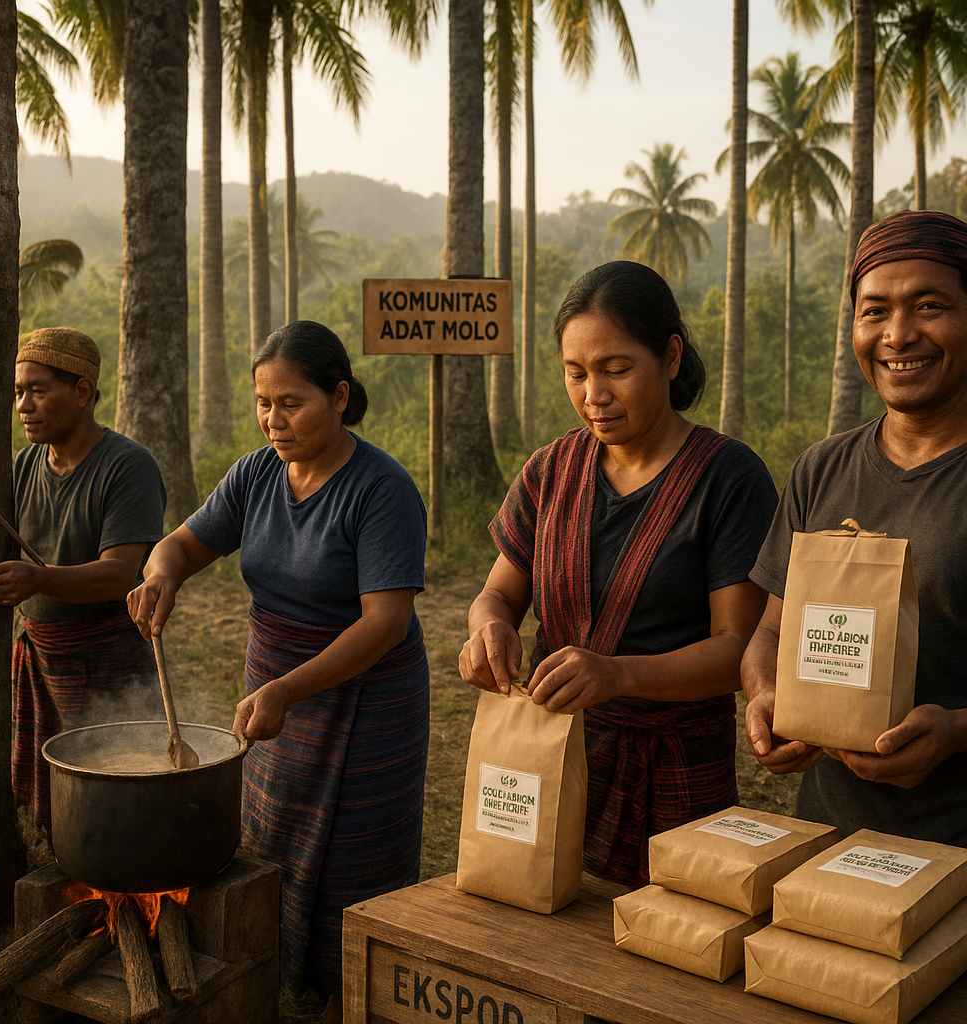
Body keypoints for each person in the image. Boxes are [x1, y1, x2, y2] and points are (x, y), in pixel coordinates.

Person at [127, 321, 429, 1018]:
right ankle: (281, 975)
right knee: (273, 838)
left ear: (339, 396)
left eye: (291, 402)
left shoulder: (381, 489)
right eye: (263, 403)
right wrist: (162, 576)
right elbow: (179, 543)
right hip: (274, 688)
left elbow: (384, 623)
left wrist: (290, 689)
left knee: (358, 858)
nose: (273, 419)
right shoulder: (256, 474)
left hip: (365, 698)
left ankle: (354, 990)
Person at [459, 261, 778, 887]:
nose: (593, 396)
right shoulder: (551, 470)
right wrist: (488, 627)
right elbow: (499, 591)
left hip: (673, 772)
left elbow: (737, 650)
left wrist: (618, 674)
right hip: (548, 756)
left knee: (664, 954)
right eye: (576, 374)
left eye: (616, 369)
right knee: (540, 932)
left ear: (671, 356)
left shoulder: (728, 479)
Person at [742, 209, 967, 847]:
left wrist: (954, 732)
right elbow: (771, 629)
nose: (899, 335)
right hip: (827, 841)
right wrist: (765, 696)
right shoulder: (823, 468)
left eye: (929, 305)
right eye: (874, 311)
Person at [0, 327, 166, 829]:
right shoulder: (23, 466)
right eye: (18, 392)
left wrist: (36, 580)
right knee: (54, 802)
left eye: (38, 390)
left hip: (106, 659)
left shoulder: (127, 466)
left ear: (82, 392)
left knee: (114, 793)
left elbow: (118, 575)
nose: (23, 405)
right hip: (40, 653)